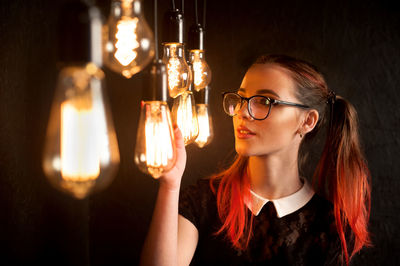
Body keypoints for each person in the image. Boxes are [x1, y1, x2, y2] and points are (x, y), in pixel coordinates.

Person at [140, 54, 371, 266]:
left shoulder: (330, 226)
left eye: (265, 101)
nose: (243, 112)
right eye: (241, 99)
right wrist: (170, 186)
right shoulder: (204, 202)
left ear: (307, 121)